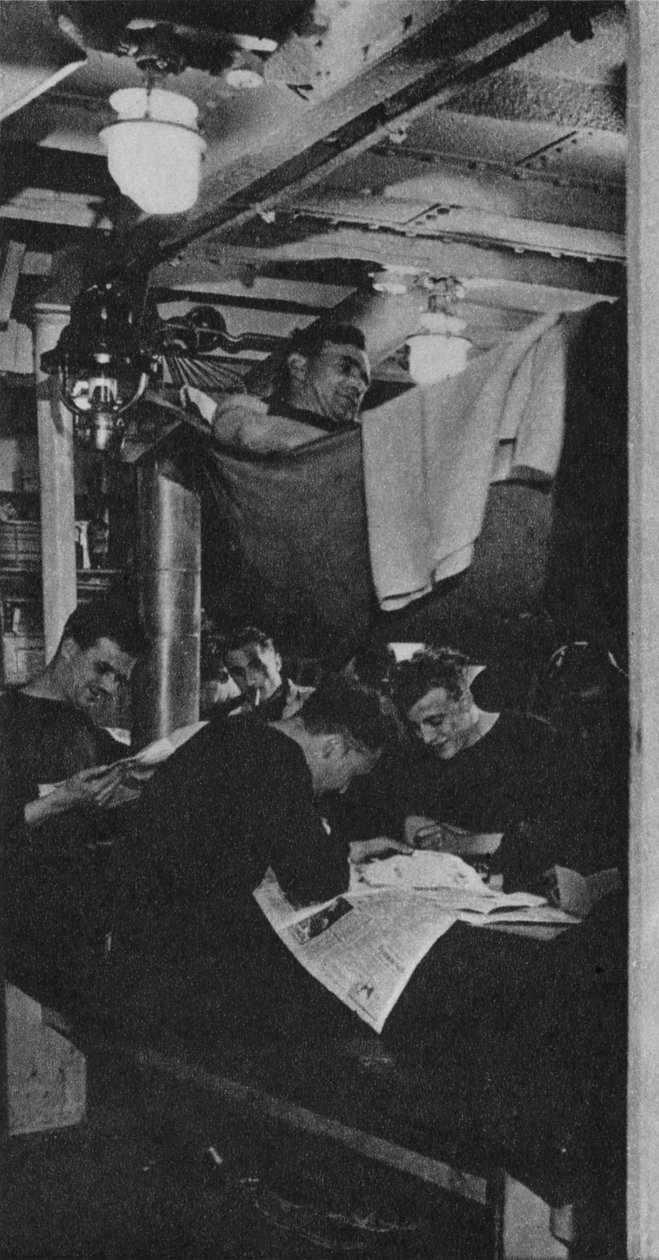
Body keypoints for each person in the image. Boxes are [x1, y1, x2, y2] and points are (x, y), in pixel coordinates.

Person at [103, 675, 392, 1033]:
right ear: (333, 747)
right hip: (176, 977)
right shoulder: (281, 761)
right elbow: (317, 881)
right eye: (352, 773)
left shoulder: (230, 730)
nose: (345, 788)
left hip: (136, 949)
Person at [0, 598, 148, 1007]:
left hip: (76, 937)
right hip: (18, 949)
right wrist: (64, 798)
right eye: (102, 668)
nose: (110, 688)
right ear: (68, 648)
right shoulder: (6, 718)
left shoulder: (83, 727)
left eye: (119, 679)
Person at [390, 646, 564, 850]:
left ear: (464, 701)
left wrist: (461, 843)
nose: (426, 738)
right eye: (416, 728)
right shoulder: (421, 756)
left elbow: (550, 838)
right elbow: (411, 824)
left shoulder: (533, 738)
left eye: (435, 721)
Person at [184, 322, 371, 454]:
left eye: (364, 380)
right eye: (345, 368)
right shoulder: (247, 408)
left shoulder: (363, 436)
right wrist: (356, 452)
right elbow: (247, 432)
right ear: (299, 367)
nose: (359, 385)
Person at [222, 625, 314, 720]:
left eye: (256, 666)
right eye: (238, 672)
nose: (249, 681)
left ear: (278, 663)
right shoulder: (235, 718)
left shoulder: (312, 700)